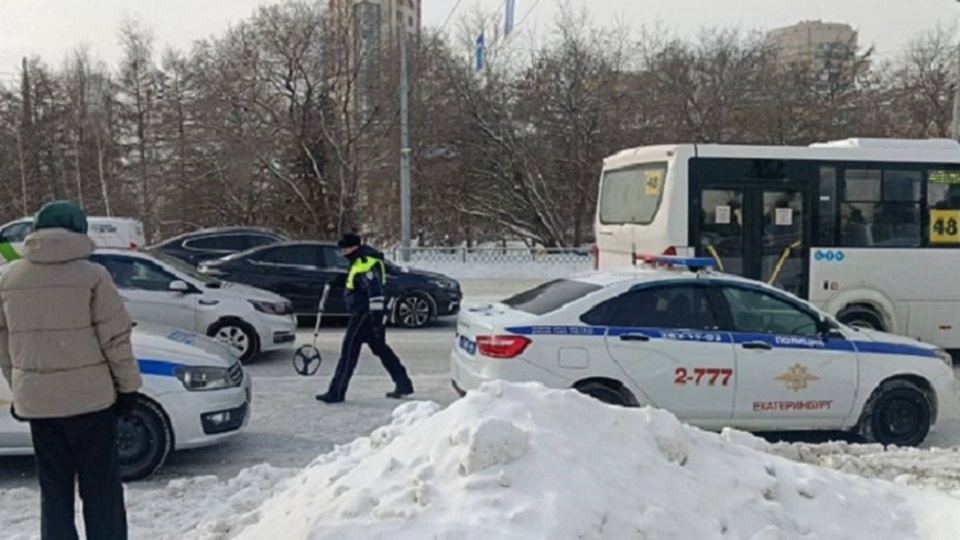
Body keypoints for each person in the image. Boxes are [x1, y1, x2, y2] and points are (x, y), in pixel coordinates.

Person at [0, 200, 142, 540]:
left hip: (39, 406)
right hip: (90, 403)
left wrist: (19, 386)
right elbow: (115, 339)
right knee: (101, 493)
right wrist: (128, 388)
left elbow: (4, 343)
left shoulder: (10, 276)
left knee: (54, 494)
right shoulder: (92, 275)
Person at [316, 232, 414, 404]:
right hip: (367, 314)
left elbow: (375, 294)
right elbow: (359, 285)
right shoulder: (360, 260)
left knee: (348, 353)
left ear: (354, 247)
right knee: (381, 349)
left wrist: (375, 321)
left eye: (345, 249)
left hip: (364, 315)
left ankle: (336, 392)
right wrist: (342, 281)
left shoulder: (365, 263)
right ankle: (403, 383)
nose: (343, 253)